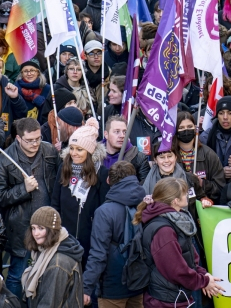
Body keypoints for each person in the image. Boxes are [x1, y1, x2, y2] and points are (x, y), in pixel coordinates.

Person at [133, 178, 224, 307]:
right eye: (184, 193)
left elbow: (189, 257)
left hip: (175, 297)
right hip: (167, 301)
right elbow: (176, 270)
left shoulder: (173, 221)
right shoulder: (164, 231)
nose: (187, 195)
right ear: (175, 201)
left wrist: (203, 274)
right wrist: (203, 281)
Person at [0, 118, 60, 298]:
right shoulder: (5, 160)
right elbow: (1, 197)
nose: (35, 143)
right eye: (30, 140)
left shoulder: (49, 150)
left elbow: (58, 182)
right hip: (21, 227)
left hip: (49, 223)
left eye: (38, 138)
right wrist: (23, 189)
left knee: (47, 272)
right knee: (17, 274)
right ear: (18, 138)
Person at [83, 162, 146, 307]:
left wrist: (87, 287)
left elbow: (98, 253)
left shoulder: (104, 212)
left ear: (108, 181)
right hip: (139, 283)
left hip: (112, 287)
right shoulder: (144, 205)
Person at [51, 117, 109, 271]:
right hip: (64, 238)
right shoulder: (63, 169)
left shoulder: (101, 173)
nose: (74, 153)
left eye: (79, 149)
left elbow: (103, 207)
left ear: (89, 151)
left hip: (89, 239)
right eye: (72, 148)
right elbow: (55, 203)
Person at [21, 207, 85, 308]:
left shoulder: (58, 263)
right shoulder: (44, 251)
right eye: (33, 228)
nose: (35, 233)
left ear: (52, 230)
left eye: (41, 228)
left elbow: (49, 304)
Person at [174, 111, 225, 202]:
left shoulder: (208, 154)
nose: (186, 130)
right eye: (181, 128)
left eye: (189, 127)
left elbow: (220, 188)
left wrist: (202, 183)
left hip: (203, 208)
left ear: (195, 129)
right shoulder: (170, 156)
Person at [199, 96, 231, 179]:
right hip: (214, 186)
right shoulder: (205, 137)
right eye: (221, 113)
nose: (225, 117)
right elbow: (201, 168)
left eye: (230, 113)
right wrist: (219, 171)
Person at [102, 115, 151, 184]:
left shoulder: (138, 157)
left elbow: (145, 187)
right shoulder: (94, 155)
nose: (122, 135)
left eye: (125, 132)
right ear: (106, 134)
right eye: (117, 131)